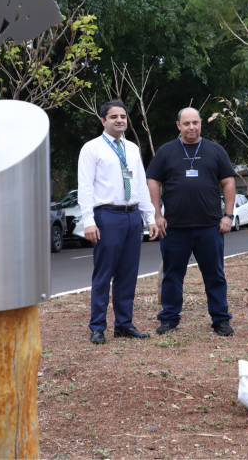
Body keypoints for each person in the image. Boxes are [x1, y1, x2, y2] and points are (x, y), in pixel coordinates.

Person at [147, 107, 236, 337]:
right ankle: (169, 319)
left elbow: (228, 182)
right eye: (186, 123)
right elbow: (153, 181)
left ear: (201, 123)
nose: (191, 127)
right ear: (179, 125)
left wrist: (228, 215)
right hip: (174, 227)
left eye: (195, 122)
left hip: (210, 226)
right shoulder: (166, 151)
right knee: (172, 275)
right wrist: (157, 214)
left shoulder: (215, 150)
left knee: (215, 275)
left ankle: (221, 320)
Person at [78, 99, 158, 345]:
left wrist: (150, 217)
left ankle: (124, 324)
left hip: (132, 216)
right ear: (103, 120)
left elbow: (140, 185)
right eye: (114, 117)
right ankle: (97, 327)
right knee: (104, 273)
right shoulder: (92, 148)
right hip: (107, 216)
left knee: (128, 273)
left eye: (123, 116)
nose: (119, 120)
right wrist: (89, 221)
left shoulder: (132, 148)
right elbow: (85, 187)